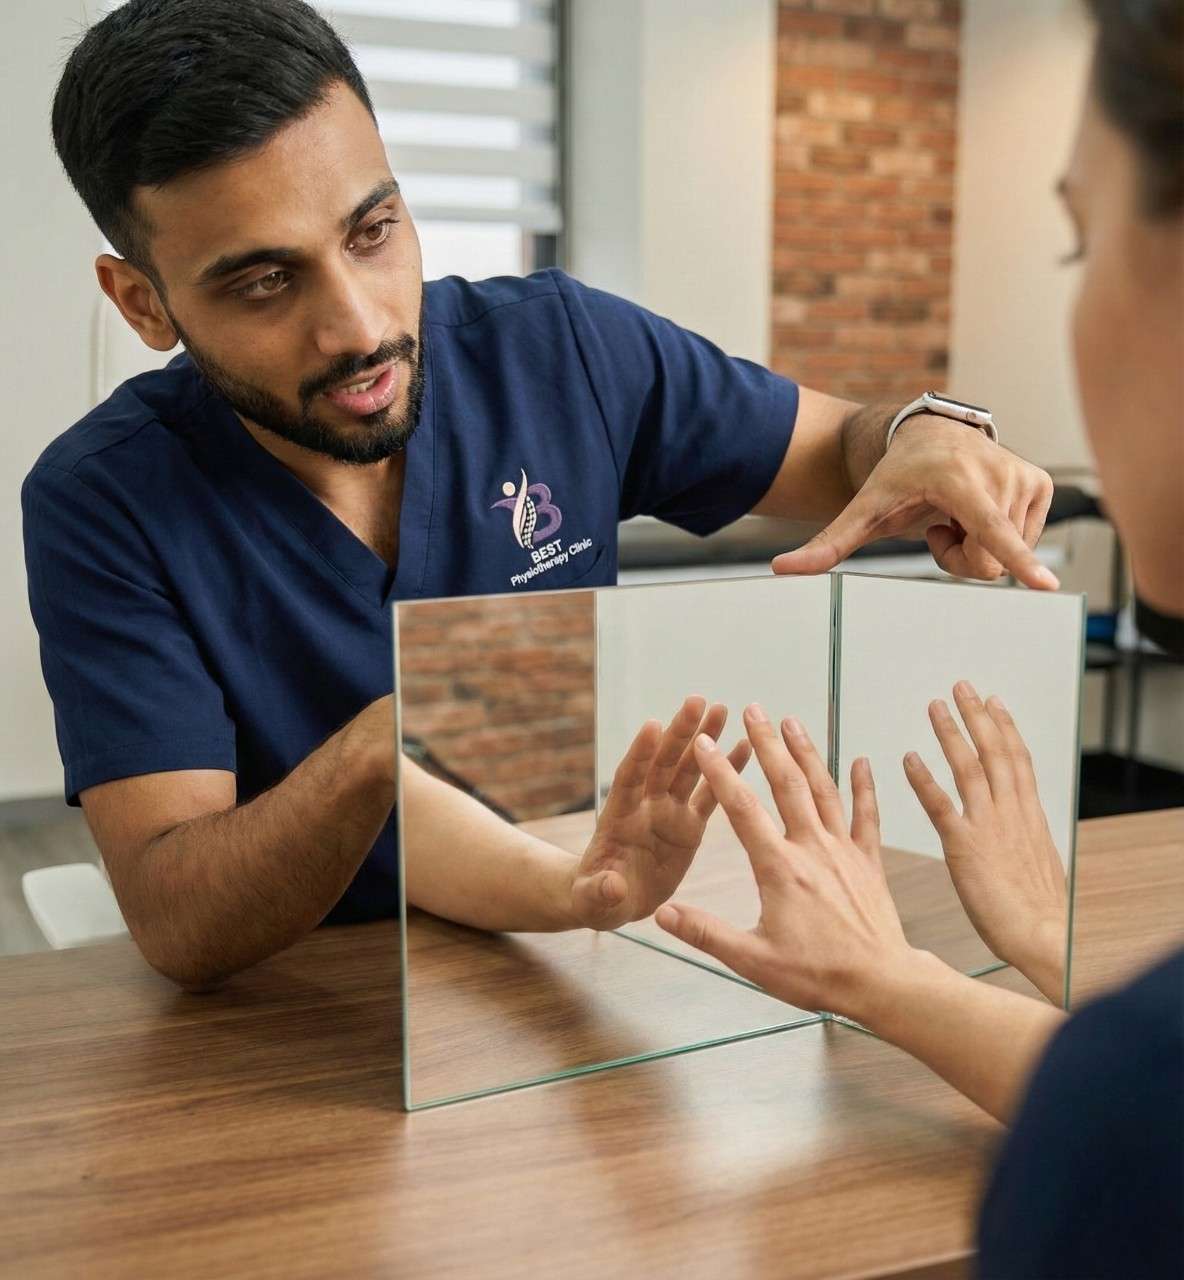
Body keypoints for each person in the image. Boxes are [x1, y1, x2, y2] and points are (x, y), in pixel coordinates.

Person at [25, 0, 1054, 990]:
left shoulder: (560, 350)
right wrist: (378, 750)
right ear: (143, 302)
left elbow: (842, 444)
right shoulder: (102, 501)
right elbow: (178, 917)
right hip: (304, 1023)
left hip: (576, 959)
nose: (356, 324)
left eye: (372, 231)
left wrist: (921, 429)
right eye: (263, 282)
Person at [656, 1, 1184, 1273]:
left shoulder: (1116, 1129)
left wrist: (895, 980)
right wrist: (984, 964)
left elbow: (1134, 1129)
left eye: (1075, 241)